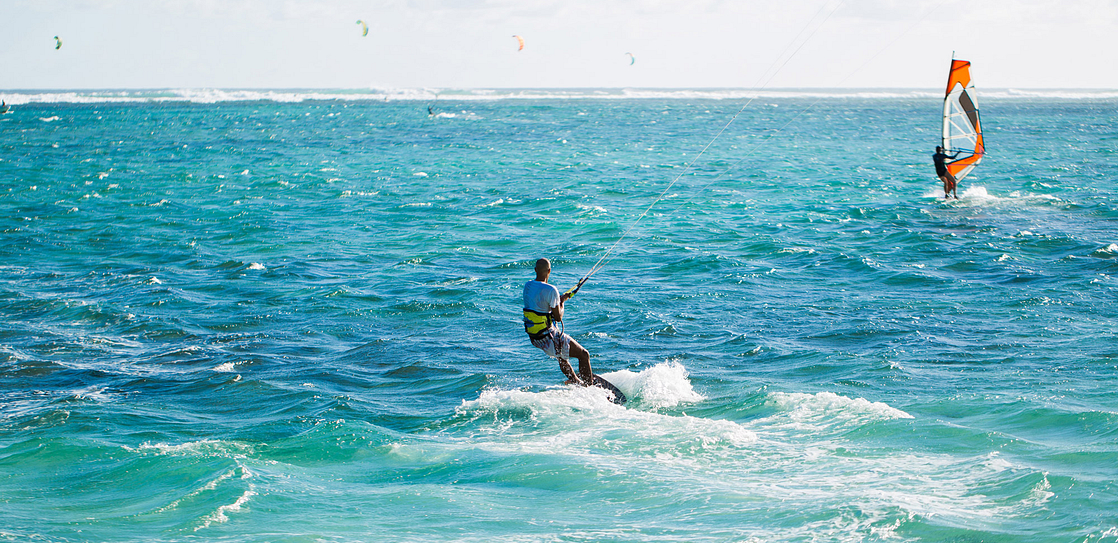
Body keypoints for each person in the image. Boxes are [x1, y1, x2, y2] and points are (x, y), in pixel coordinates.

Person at [523, 258, 593, 385]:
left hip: (535, 337)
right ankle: (590, 388)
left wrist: (557, 301)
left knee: (561, 355)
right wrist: (562, 303)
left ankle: (576, 382)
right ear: (549, 271)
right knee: (584, 355)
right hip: (548, 337)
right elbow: (558, 317)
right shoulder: (551, 290)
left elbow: (539, 306)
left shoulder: (527, 286)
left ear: (535, 270)